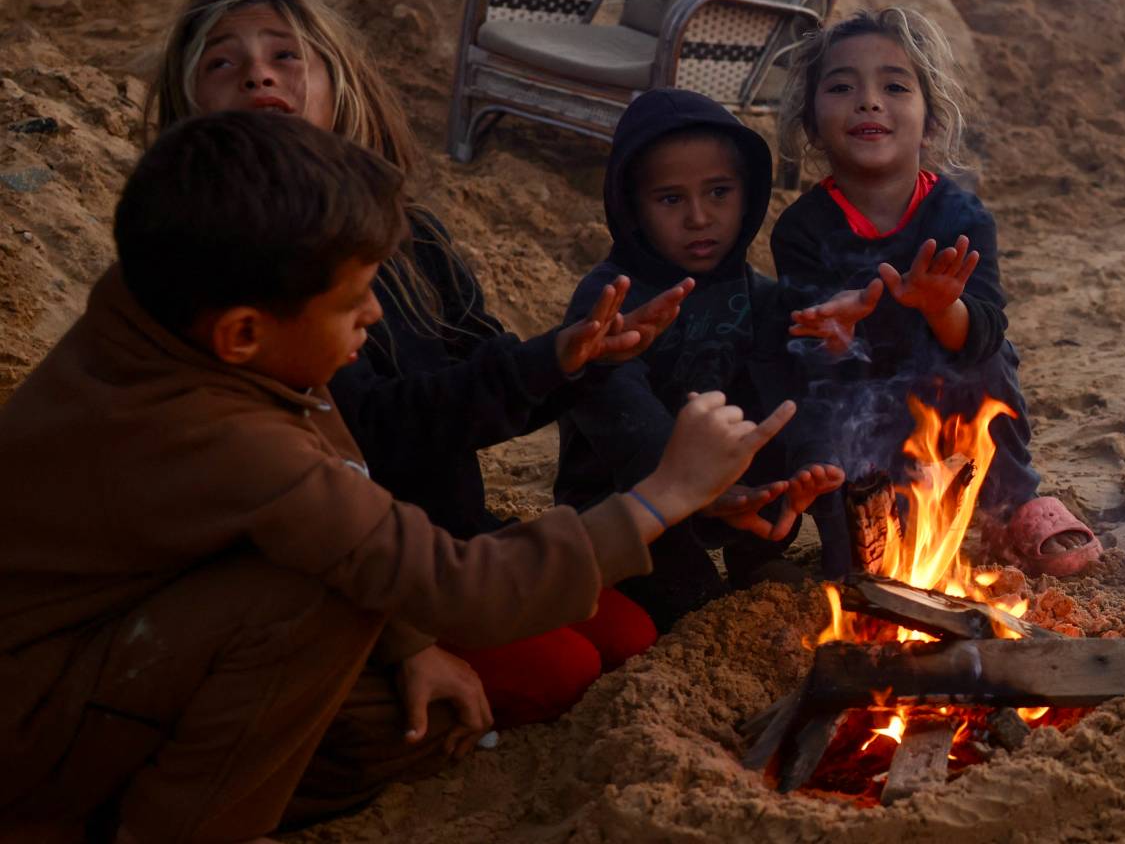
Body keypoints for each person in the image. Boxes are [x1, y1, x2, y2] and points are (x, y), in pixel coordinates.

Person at [0, 111, 792, 842]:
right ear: (244, 332)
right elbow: (459, 587)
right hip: (35, 728)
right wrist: (670, 492)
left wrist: (408, 639)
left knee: (418, 714)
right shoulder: (229, 439)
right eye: (352, 306)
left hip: (119, 646)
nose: (376, 318)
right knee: (316, 614)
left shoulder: (171, 310)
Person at [142, 0, 710, 729]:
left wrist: (580, 358)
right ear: (189, 116)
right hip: (356, 576)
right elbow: (371, 432)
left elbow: (487, 372)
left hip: (450, 543)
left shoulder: (412, 237)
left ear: (341, 89)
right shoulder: (230, 271)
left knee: (628, 632)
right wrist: (406, 636)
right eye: (224, 64)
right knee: (561, 672)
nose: (258, 75)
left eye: (286, 56)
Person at [772, 8, 1104, 578]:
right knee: (863, 564)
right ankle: (867, 516)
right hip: (862, 405)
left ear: (929, 118)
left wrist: (941, 307)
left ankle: (1011, 504)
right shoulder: (801, 229)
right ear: (810, 121)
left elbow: (984, 333)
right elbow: (812, 358)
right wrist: (833, 335)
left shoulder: (960, 214)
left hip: (946, 383)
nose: (869, 101)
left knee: (992, 359)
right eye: (842, 86)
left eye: (895, 86)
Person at [554, 89, 846, 630]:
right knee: (694, 603)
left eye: (718, 192)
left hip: (729, 494)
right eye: (670, 199)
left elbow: (788, 393)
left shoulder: (755, 293)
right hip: (627, 499)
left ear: (748, 193)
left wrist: (806, 464)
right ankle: (690, 577)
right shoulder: (611, 297)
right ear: (632, 206)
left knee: (787, 386)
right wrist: (693, 485)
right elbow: (618, 407)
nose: (698, 217)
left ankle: (754, 557)